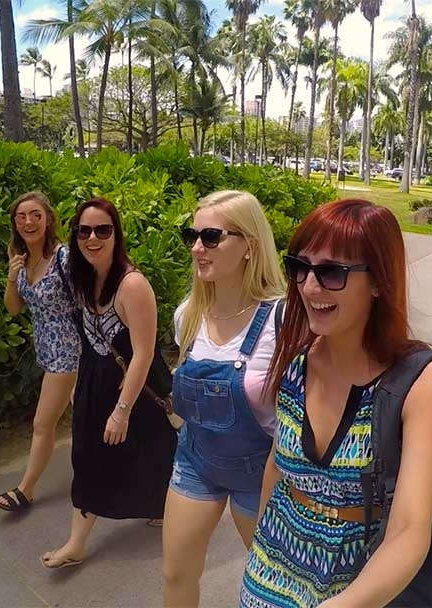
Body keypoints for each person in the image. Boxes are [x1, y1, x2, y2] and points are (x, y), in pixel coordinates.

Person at [240, 199, 432, 607]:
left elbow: (409, 528)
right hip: (270, 568)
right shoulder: (297, 360)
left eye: (331, 272)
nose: (309, 286)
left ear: (378, 282)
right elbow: (276, 467)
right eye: (300, 267)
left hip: (359, 583)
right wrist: (257, 555)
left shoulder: (420, 379)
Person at [161, 191, 287, 606]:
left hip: (262, 471)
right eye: (192, 235)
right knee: (176, 572)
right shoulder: (188, 315)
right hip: (196, 461)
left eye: (211, 236)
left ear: (249, 245)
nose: (197, 247)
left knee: (278, 584)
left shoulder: (282, 321)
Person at [40, 197, 178, 569]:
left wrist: (122, 410)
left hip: (131, 388)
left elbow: (144, 354)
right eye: (84, 231)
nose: (93, 238)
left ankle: (168, 505)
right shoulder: (84, 278)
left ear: (116, 235)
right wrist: (78, 385)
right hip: (95, 380)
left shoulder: (132, 286)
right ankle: (77, 543)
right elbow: (87, 337)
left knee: (152, 451)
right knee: (87, 456)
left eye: (103, 229)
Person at [0, 191, 79, 513]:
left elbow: (86, 299)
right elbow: (14, 309)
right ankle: (139, 477)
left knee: (43, 424)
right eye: (21, 216)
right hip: (47, 350)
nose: (28, 222)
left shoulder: (64, 257)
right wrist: (11, 277)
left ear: (48, 219)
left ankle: (25, 490)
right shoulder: (19, 257)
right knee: (92, 419)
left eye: (36, 215)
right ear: (15, 223)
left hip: (69, 350)